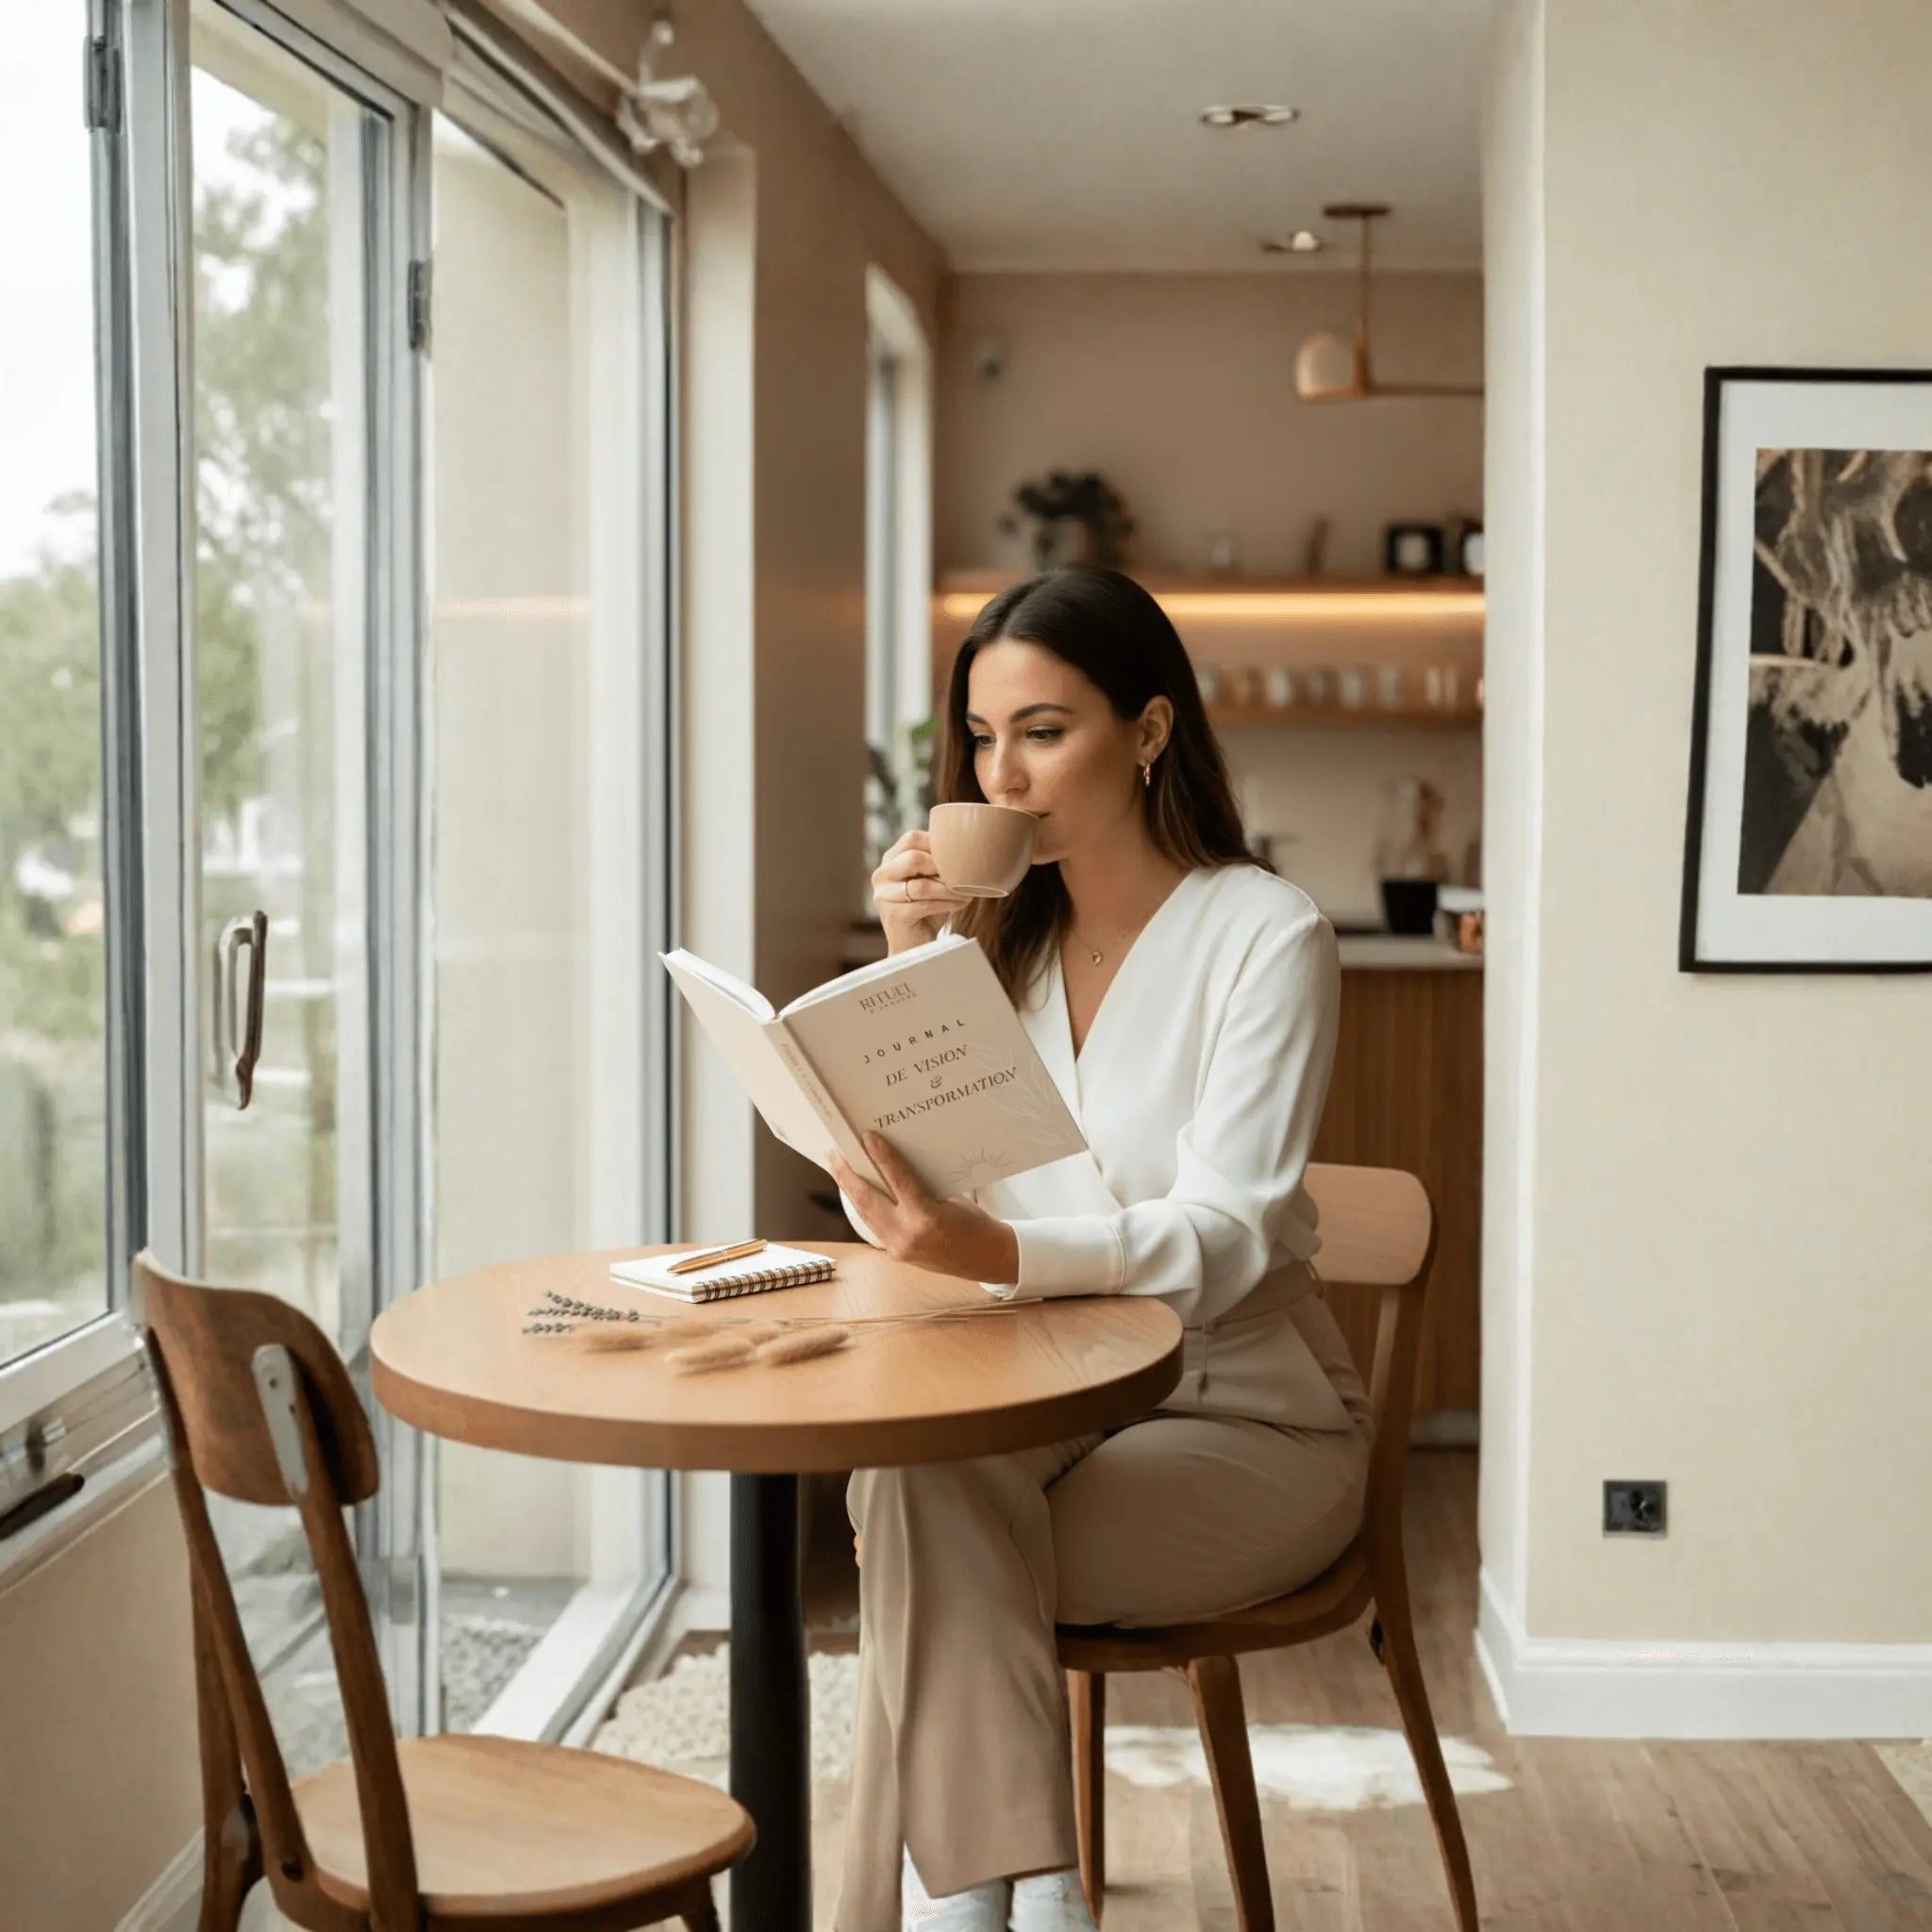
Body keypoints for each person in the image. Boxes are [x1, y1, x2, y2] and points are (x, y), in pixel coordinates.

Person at [827, 565, 1373, 1932]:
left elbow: (1234, 1238)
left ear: (1148, 730)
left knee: (927, 1551)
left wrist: (997, 1257)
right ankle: (1038, 1893)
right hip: (1044, 1390)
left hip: (1247, 1412)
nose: (1001, 777)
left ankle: (962, 1907)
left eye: (1045, 730)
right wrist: (909, 961)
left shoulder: (1267, 935)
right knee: (915, 1495)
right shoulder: (996, 953)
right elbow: (920, 1202)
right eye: (980, 737)